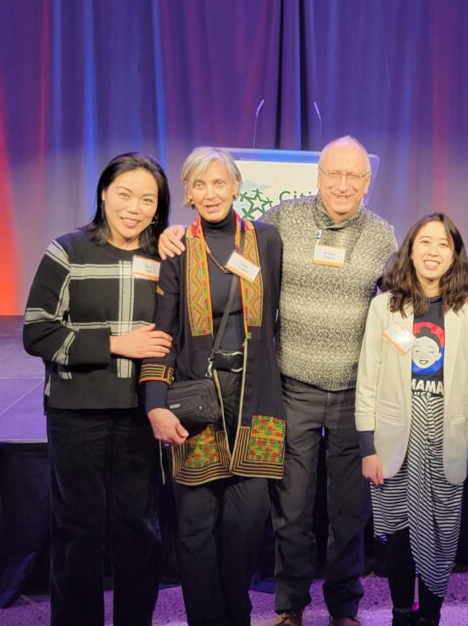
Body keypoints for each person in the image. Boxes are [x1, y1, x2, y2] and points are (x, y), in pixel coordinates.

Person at [157, 135, 396, 626]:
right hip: (292, 385)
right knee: (291, 509)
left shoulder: (383, 236)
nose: (343, 184)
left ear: (368, 182)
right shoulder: (283, 222)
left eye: (354, 176)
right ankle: (290, 605)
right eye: (333, 173)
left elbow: (400, 300)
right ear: (318, 176)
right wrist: (170, 233)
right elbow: (220, 241)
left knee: (349, 512)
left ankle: (345, 606)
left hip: (355, 392)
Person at [23, 152, 171, 626]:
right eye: (124, 194)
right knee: (77, 530)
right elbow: (38, 333)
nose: (135, 207)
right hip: (76, 411)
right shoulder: (66, 251)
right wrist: (115, 343)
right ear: (103, 193)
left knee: (138, 530)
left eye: (148, 199)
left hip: (140, 412)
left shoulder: (164, 257)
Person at [140, 147, 284, 626]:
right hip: (195, 404)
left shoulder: (267, 240)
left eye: (219, 183)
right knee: (196, 528)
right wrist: (155, 404)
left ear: (237, 186)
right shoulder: (178, 248)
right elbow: (161, 334)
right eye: (199, 185)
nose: (210, 193)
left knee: (246, 523)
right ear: (187, 193)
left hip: (256, 401)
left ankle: (236, 613)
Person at [355, 213, 468, 626]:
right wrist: (368, 447)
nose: (433, 251)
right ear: (410, 249)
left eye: (443, 244)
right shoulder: (384, 308)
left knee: (443, 533)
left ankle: (430, 616)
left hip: (445, 437)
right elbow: (368, 378)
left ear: (454, 254)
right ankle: (400, 614)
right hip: (395, 440)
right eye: (425, 242)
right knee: (398, 533)